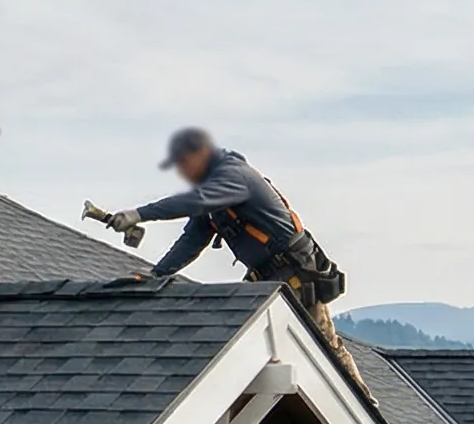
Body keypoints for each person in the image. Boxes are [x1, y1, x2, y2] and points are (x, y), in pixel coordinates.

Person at [101, 127, 365, 381]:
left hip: (295, 271)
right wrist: (157, 274)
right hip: (267, 276)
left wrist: (139, 214)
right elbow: (193, 239)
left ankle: (366, 409)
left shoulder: (234, 176)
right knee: (248, 342)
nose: (183, 172)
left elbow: (196, 201)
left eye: (184, 163)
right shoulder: (215, 194)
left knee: (324, 346)